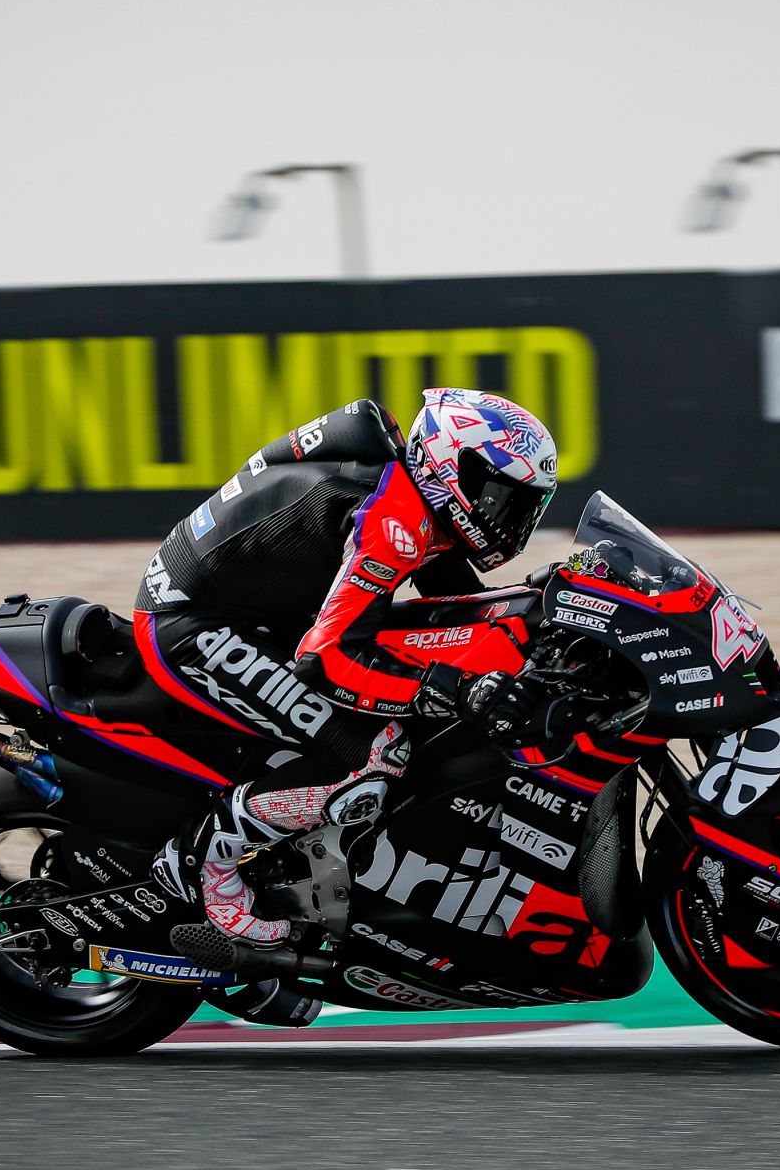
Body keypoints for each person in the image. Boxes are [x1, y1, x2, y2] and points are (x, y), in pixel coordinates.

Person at [138, 389, 560, 944]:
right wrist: (452, 689)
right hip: (192, 625)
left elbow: (457, 601)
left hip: (255, 611)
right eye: (498, 497)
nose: (507, 518)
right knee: (377, 752)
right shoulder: (393, 519)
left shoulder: (410, 489)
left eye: (523, 506)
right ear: (452, 468)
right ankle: (200, 861)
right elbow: (325, 660)